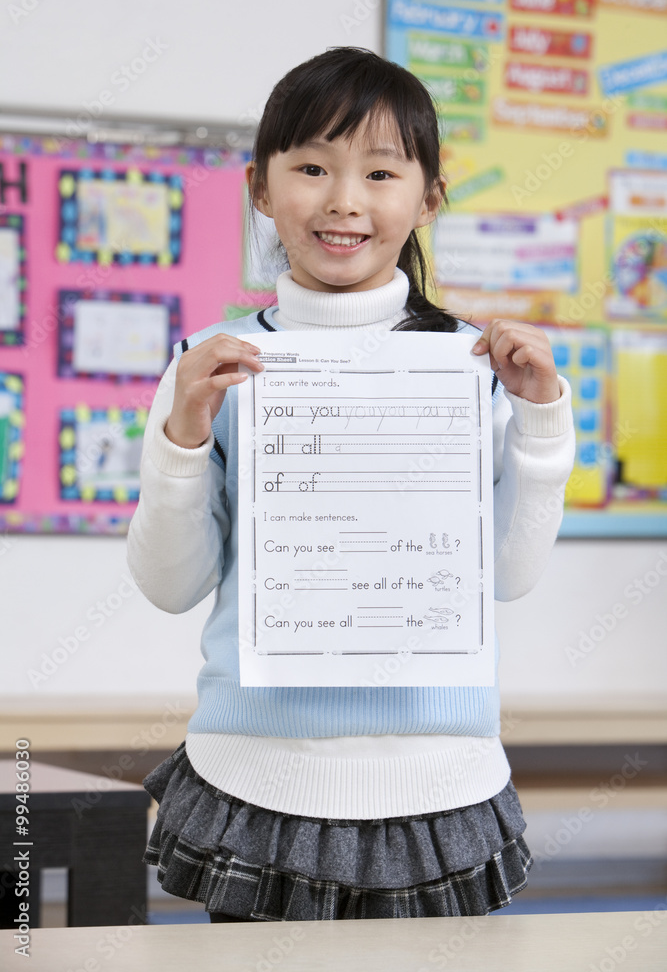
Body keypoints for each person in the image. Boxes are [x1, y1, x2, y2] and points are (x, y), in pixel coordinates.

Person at [127, 46, 575, 922]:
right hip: (253, 774)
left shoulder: (480, 368)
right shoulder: (206, 367)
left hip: (439, 782)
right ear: (261, 187)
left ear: (427, 197)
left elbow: (508, 579)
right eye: (310, 168)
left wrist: (540, 421)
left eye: (379, 170)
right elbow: (170, 586)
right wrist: (182, 437)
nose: (343, 199)